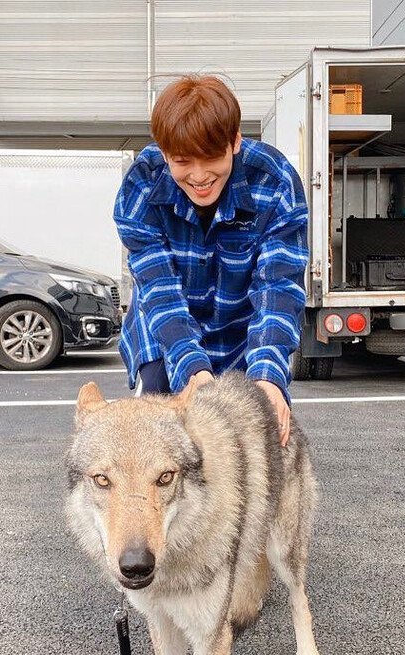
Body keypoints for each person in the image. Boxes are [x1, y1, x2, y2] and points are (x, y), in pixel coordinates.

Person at [114, 74, 308, 447]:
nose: (200, 176)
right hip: (165, 328)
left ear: (235, 141)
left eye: (213, 158)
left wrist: (268, 376)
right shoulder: (140, 187)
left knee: (254, 438)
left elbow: (278, 286)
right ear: (164, 151)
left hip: (243, 327)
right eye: (183, 161)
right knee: (157, 435)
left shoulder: (275, 182)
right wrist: (191, 370)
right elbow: (160, 291)